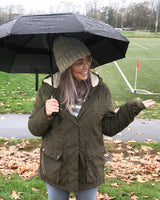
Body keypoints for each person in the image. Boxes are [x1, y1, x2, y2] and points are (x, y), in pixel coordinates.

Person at [28, 36, 155, 200]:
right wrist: (45, 113)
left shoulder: (100, 89)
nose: (86, 66)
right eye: (79, 62)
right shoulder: (48, 89)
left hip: (89, 167)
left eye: (87, 60)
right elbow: (34, 128)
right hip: (56, 167)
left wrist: (132, 108)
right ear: (66, 66)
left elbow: (109, 128)